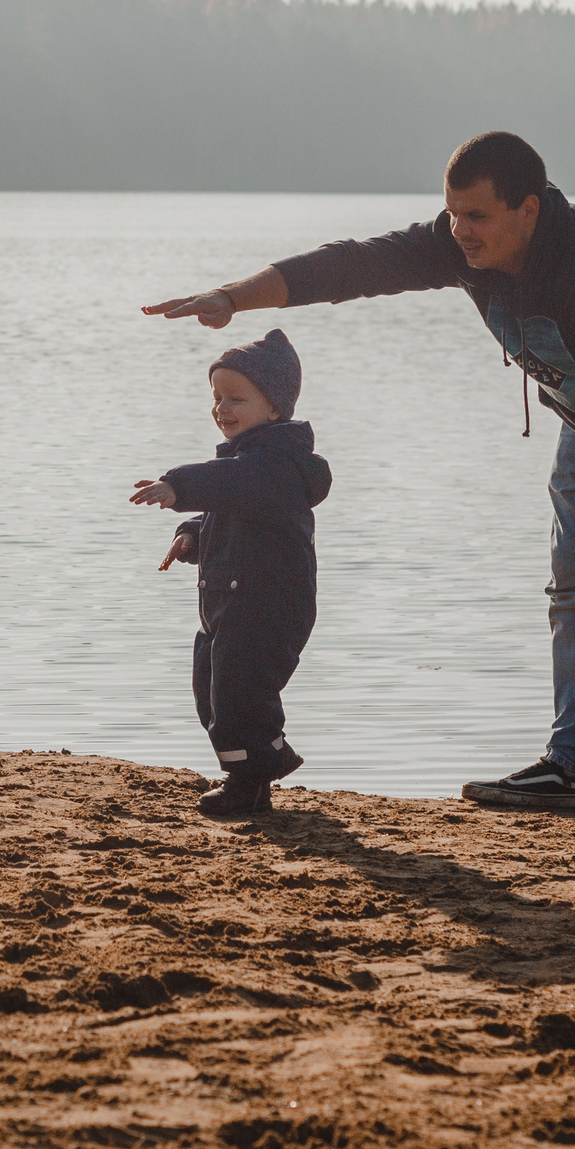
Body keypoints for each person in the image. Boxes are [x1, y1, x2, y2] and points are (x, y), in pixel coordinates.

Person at [142, 132, 575, 830]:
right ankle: (573, 763)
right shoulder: (458, 244)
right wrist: (233, 297)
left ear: (529, 210)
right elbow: (351, 266)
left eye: (477, 216)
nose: (460, 230)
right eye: (453, 212)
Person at [131, 328, 332, 819]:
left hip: (268, 605)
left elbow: (232, 484)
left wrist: (177, 485)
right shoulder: (245, 466)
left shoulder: (276, 466)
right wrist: (192, 535)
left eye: (236, 399)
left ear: (275, 408)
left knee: (240, 692)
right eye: (216, 397)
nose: (222, 408)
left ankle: (249, 782)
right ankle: (265, 759)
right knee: (213, 691)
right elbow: (228, 510)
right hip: (229, 602)